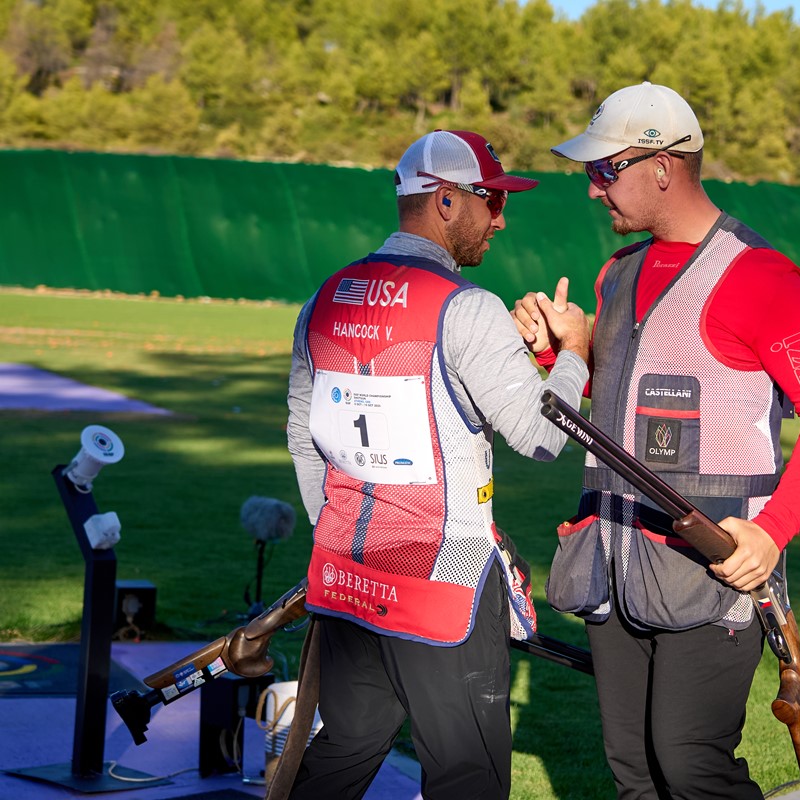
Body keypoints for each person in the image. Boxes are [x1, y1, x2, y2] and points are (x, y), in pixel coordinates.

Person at [513, 83, 800, 799]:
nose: (591, 190)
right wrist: (556, 354)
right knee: (634, 773)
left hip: (713, 571)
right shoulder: (617, 274)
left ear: (662, 168)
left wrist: (772, 533)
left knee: (690, 764)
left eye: (604, 170)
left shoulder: (761, 276)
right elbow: (615, 405)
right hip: (610, 565)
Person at [284, 128, 590, 800]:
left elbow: (306, 443)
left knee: (341, 755)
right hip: (440, 587)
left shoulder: (324, 298)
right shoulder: (467, 308)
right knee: (468, 777)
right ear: (447, 202)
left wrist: (336, 535)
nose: (501, 219)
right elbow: (543, 436)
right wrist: (575, 353)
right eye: (492, 200)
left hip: (345, 576)